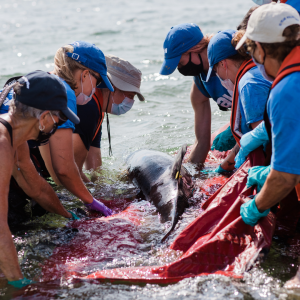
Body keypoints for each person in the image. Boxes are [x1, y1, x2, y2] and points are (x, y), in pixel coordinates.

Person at [232, 2, 300, 287]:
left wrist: (256, 206)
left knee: (292, 287)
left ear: (260, 48)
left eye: (250, 51)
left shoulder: (286, 89)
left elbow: (285, 178)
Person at [0, 71, 79, 288]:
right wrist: (20, 284)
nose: (57, 125)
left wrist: (68, 215)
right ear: (44, 118)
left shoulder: (16, 140)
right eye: (59, 119)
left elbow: (36, 188)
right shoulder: (2, 145)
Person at [37, 41, 114, 215]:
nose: (96, 90)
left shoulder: (42, 82)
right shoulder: (64, 94)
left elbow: (54, 169)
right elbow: (63, 170)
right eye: (98, 81)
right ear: (85, 74)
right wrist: (91, 200)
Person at [159, 23, 234, 164]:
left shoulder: (229, 58)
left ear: (195, 49)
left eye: (180, 63)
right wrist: (191, 174)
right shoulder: (200, 85)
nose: (180, 69)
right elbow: (202, 141)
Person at [206, 29, 271, 173]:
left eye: (216, 71)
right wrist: (228, 161)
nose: (219, 77)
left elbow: (264, 138)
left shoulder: (249, 84)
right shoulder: (258, 70)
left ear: (223, 64)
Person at [72, 54, 144, 182]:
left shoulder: (98, 107)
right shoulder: (89, 107)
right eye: (130, 95)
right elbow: (72, 171)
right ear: (113, 88)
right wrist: (96, 199)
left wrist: (101, 187)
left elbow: (94, 164)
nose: (130, 102)